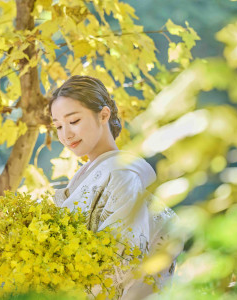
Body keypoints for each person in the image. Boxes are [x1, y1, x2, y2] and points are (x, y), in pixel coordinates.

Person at [49, 75, 181, 299]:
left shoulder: (122, 174)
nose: (65, 135)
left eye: (73, 121)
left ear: (103, 115)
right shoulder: (90, 175)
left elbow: (124, 256)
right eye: (59, 126)